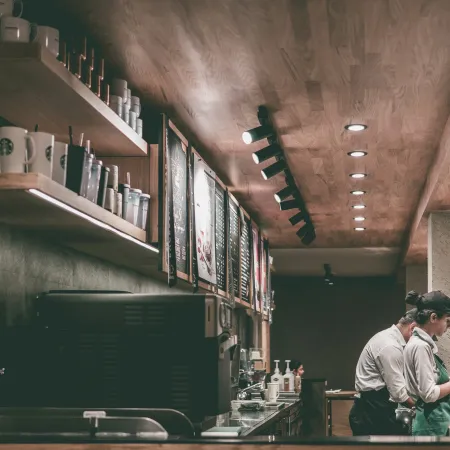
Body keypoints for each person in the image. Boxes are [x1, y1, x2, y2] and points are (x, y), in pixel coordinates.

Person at [349, 309, 417, 436]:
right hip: (372, 412)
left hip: (372, 408)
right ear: (412, 328)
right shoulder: (390, 346)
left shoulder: (387, 338)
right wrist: (424, 406)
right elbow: (399, 393)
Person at [403, 290, 450, 436]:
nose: (448, 327)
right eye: (447, 321)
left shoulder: (420, 343)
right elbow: (428, 394)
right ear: (434, 317)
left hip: (432, 424)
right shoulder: (421, 346)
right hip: (430, 426)